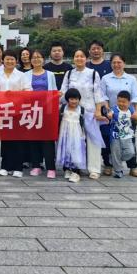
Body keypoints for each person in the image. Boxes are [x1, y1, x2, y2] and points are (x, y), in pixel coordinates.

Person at [60, 49, 107, 179]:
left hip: (90, 111)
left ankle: (94, 169)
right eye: (77, 56)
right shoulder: (69, 73)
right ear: (73, 58)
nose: (79, 58)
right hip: (73, 112)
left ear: (86, 58)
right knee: (73, 140)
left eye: (82, 56)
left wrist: (98, 110)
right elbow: (63, 92)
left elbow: (98, 93)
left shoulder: (93, 73)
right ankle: (74, 167)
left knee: (93, 140)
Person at [100, 53, 137, 177]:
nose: (116, 65)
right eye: (114, 62)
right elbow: (103, 96)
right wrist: (108, 111)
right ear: (111, 64)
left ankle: (133, 166)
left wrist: (136, 112)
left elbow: (135, 97)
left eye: (119, 62)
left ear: (124, 63)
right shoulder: (105, 78)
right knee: (109, 141)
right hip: (112, 115)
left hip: (128, 115)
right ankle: (108, 165)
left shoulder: (131, 79)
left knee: (130, 141)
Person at [0, 50, 32, 177]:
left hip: (18, 111)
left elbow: (28, 91)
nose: (9, 61)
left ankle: (18, 167)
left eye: (12, 59)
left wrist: (15, 95)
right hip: (3, 111)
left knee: (18, 140)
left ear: (16, 61)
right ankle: (5, 166)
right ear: (3, 60)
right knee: (5, 140)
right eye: (7, 59)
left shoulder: (22, 75)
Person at [23, 49, 58, 179]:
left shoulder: (50, 74)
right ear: (30, 60)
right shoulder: (25, 75)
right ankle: (36, 165)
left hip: (47, 111)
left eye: (39, 57)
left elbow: (54, 91)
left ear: (43, 59)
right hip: (31, 111)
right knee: (33, 139)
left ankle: (50, 167)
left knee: (48, 140)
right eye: (34, 57)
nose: (36, 59)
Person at [106, 90, 137, 179]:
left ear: (129, 102)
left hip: (127, 135)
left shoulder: (131, 109)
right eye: (119, 101)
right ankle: (118, 171)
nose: (121, 103)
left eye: (124, 102)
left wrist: (136, 117)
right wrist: (109, 115)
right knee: (116, 151)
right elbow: (110, 113)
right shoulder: (114, 109)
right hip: (115, 135)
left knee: (130, 152)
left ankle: (115, 159)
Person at [56, 88, 88, 183]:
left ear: (79, 99)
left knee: (76, 151)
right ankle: (67, 169)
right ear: (67, 99)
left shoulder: (81, 110)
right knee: (66, 150)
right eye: (71, 99)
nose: (74, 101)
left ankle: (76, 172)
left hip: (77, 135)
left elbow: (88, 122)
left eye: (76, 99)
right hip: (64, 135)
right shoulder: (62, 108)